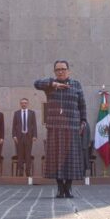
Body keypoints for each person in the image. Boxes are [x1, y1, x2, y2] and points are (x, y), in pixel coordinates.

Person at [34, 60, 88, 198]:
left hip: (72, 127)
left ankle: (68, 188)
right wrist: (53, 83)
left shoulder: (76, 84)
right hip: (55, 127)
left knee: (71, 159)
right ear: (54, 72)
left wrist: (83, 121)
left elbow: (82, 105)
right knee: (56, 160)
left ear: (68, 70)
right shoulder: (50, 85)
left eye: (63, 69)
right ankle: (59, 188)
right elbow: (36, 83)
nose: (61, 71)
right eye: (57, 69)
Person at [12, 98, 37, 176]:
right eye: (22, 103)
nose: (24, 104)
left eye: (25, 103)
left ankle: (28, 171)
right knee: (20, 154)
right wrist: (14, 136)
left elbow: (34, 125)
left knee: (28, 154)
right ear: (20, 104)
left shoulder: (32, 113)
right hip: (19, 137)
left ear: (27, 104)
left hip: (28, 136)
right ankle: (21, 171)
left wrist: (35, 135)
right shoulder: (16, 113)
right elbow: (14, 125)